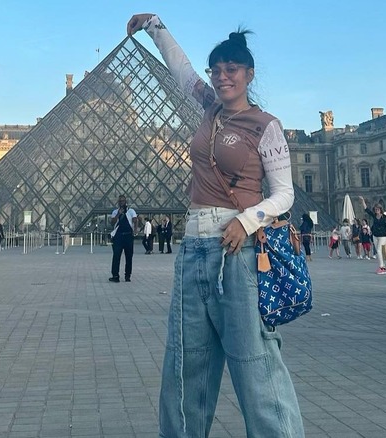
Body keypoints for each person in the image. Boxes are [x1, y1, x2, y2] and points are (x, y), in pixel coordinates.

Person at [128, 13, 305, 435]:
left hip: (237, 253)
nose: (222, 77)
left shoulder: (266, 126)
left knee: (255, 366)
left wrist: (247, 221)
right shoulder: (208, 107)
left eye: (231, 70)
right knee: (184, 369)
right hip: (192, 250)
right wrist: (155, 26)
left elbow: (284, 194)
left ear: (248, 74)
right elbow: (180, 69)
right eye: (217, 70)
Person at [359, 197, 386, 274]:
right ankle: (383, 267)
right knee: (378, 250)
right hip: (375, 235)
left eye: (378, 209)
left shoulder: (384, 217)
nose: (376, 211)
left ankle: (381, 267)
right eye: (375, 209)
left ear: (381, 209)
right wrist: (363, 201)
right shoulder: (374, 216)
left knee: (379, 250)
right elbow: (367, 210)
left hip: (383, 236)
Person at [109, 195, 137, 282]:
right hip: (118, 236)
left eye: (123, 201)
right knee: (116, 256)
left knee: (129, 257)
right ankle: (115, 275)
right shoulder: (115, 212)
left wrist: (135, 229)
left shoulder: (131, 211)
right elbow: (112, 222)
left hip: (128, 236)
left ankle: (127, 275)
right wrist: (118, 214)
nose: (122, 203)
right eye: (120, 201)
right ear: (118, 203)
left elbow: (135, 219)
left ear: (126, 202)